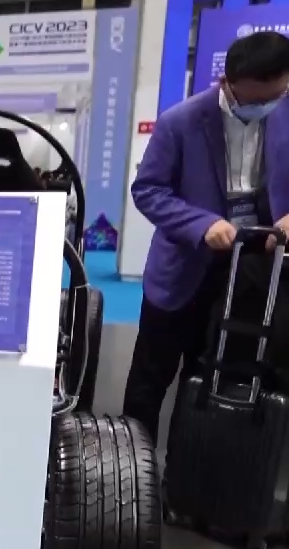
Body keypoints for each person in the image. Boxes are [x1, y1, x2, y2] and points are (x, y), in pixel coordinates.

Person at [124, 31, 289, 440]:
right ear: (228, 83)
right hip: (185, 267)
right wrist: (201, 225)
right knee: (150, 379)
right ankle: (133, 463)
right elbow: (148, 190)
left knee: (210, 380)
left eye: (276, 95)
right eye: (255, 99)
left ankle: (185, 468)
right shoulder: (180, 122)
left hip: (251, 269)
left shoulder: (285, 113)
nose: (265, 106)